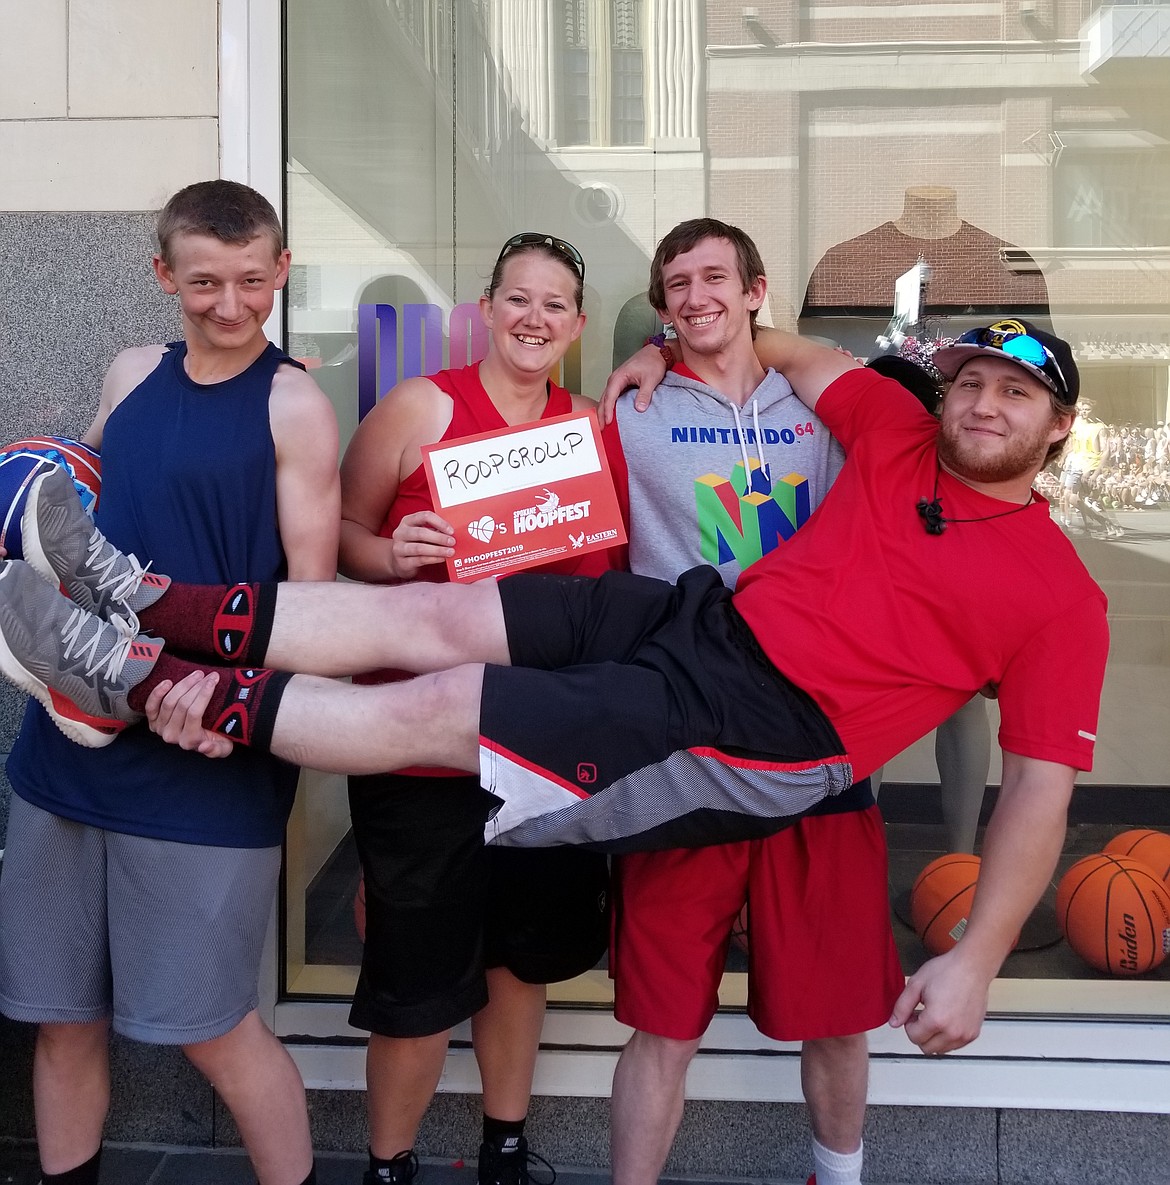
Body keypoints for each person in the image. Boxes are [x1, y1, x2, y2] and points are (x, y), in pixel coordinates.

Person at [0, 318, 1107, 1073]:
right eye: (970, 381)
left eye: (1016, 393)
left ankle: (130, 679)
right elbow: (800, 345)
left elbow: (1037, 792)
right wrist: (666, 345)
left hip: (766, 734)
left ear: (1057, 428)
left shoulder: (1062, 597)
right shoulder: (900, 432)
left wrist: (978, 956)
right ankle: (138, 597)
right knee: (441, 608)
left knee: (441, 703)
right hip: (704, 615)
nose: (982, 403)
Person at [0, 180, 341, 1185]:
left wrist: (233, 708)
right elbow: (80, 537)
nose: (229, 304)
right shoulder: (129, 372)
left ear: (281, 271)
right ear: (164, 276)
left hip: (207, 755)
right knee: (61, 1021)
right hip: (69, 742)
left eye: (250, 280)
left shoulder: (296, 405)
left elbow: (313, 607)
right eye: (203, 282)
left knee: (214, 1028)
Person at [590, 218, 900, 1185]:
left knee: (840, 1011)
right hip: (688, 741)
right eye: (676, 284)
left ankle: (838, 1177)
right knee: (662, 1018)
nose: (695, 297)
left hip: (820, 733)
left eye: (715, 277)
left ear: (756, 290)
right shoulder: (629, 411)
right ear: (660, 304)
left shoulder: (822, 402)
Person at [337, 232, 607, 1185]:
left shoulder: (590, 426)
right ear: (486, 308)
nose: (534, 318)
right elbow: (344, 537)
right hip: (419, 741)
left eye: (555, 304)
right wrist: (392, 553)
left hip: (538, 739)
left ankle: (503, 1144)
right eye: (518, 299)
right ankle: (388, 1163)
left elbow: (604, 585)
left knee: (518, 961)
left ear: (577, 324)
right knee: (416, 978)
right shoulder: (423, 406)